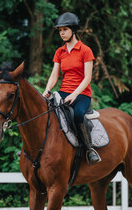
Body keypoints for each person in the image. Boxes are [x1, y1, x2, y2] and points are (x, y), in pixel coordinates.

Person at [42, 12, 101, 165]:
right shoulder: (59, 52)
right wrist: (47, 91)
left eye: (65, 30)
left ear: (73, 30)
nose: (62, 33)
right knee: (47, 112)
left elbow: (87, 77)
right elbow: (54, 75)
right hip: (63, 92)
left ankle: (89, 149)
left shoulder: (85, 50)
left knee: (78, 114)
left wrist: (74, 95)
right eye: (60, 30)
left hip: (81, 94)